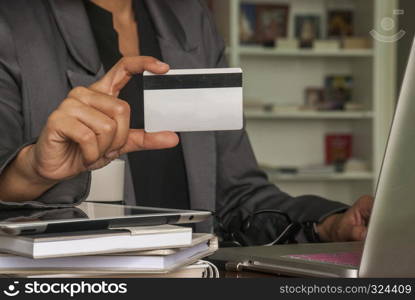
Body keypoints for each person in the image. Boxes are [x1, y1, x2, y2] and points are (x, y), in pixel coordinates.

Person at [0, 0, 373, 243]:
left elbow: (237, 196)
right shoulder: (13, 23)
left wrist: (329, 225)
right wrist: (32, 172)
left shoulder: (191, 19)